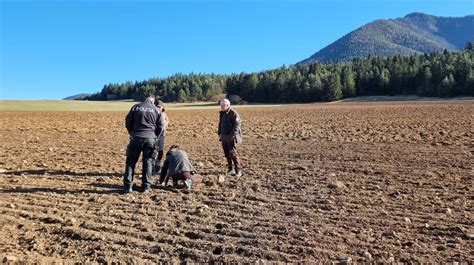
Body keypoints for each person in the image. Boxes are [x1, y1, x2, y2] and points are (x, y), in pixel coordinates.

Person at [123, 93, 163, 193]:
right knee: (148, 162)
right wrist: (155, 136)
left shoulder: (135, 107)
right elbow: (161, 126)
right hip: (150, 138)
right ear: (152, 99)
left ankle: (128, 186)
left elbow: (128, 121)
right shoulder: (156, 110)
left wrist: (131, 132)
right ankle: (146, 186)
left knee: (131, 162)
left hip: (136, 137)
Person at [218, 99, 242, 177]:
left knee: (233, 154)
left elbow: (237, 126)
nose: (221, 107)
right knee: (227, 154)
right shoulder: (223, 113)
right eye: (220, 105)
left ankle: (238, 171)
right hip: (224, 137)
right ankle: (230, 169)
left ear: (227, 105)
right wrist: (220, 133)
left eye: (222, 105)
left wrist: (231, 137)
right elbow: (220, 123)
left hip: (231, 138)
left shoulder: (233, 113)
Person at [152, 100, 169, 175]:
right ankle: (152, 168)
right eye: (157, 107)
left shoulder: (163, 114)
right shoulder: (153, 113)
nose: (159, 108)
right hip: (154, 135)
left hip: (161, 135)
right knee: (153, 152)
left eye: (160, 107)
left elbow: (167, 121)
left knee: (160, 152)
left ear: (162, 107)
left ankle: (157, 166)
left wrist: (165, 127)